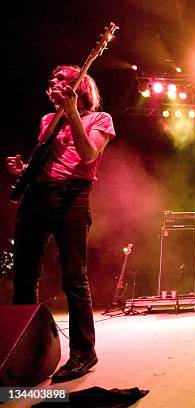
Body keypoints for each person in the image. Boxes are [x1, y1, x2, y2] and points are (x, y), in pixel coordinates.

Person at [5, 65, 115, 381]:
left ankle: (83, 353)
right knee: (25, 274)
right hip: (37, 194)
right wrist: (24, 168)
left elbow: (87, 154)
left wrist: (71, 114)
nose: (52, 83)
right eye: (51, 80)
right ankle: (23, 347)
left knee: (73, 275)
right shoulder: (46, 121)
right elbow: (50, 163)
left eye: (61, 80)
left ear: (80, 87)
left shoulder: (99, 119)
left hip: (73, 195)